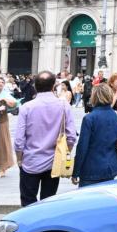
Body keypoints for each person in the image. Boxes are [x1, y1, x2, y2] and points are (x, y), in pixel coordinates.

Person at [13, 71, 77, 206]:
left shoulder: (26, 107)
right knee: (48, 202)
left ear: (35, 86)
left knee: (28, 201)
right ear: (54, 85)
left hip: (30, 160)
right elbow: (71, 136)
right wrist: (65, 152)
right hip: (54, 161)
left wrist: (19, 159)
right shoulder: (64, 105)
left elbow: (19, 140)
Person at [72, 82, 117, 187]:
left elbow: (82, 147)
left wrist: (76, 171)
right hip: (111, 167)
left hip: (91, 169)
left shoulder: (89, 118)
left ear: (94, 97)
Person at [0, 76, 18, 178]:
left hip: (2, 120)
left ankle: (3, 167)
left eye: (2, 82)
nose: (0, 84)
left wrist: (4, 99)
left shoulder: (5, 93)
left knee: (1, 144)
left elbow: (14, 103)